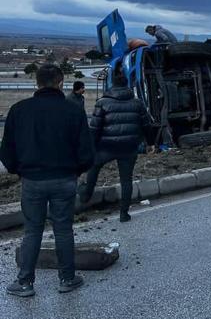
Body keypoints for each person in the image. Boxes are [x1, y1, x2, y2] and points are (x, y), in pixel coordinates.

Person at [1, 64, 94, 297]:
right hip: (64, 178)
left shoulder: (19, 110)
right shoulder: (73, 110)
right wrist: (76, 170)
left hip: (32, 180)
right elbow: (86, 151)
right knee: (63, 229)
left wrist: (19, 171)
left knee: (32, 230)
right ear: (61, 82)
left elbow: (6, 151)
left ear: (37, 83)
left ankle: (24, 282)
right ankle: (67, 279)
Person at [80, 69, 153, 222]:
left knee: (94, 168)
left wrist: (91, 146)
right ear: (127, 85)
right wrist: (150, 142)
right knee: (126, 180)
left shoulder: (102, 102)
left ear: (112, 84)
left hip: (106, 147)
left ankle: (85, 196)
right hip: (129, 147)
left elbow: (94, 128)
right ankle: (124, 214)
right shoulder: (137, 103)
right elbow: (146, 125)